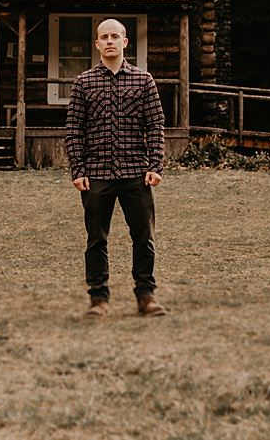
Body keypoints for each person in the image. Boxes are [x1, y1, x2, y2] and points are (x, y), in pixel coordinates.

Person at [63, 17, 167, 318]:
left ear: (125, 42)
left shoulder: (144, 80)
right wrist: (78, 170)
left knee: (143, 237)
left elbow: (156, 125)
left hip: (137, 172)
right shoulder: (83, 83)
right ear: (97, 44)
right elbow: (74, 130)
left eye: (115, 36)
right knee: (96, 239)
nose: (109, 41)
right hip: (96, 174)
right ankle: (99, 299)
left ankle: (146, 296)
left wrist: (155, 164)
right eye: (104, 37)